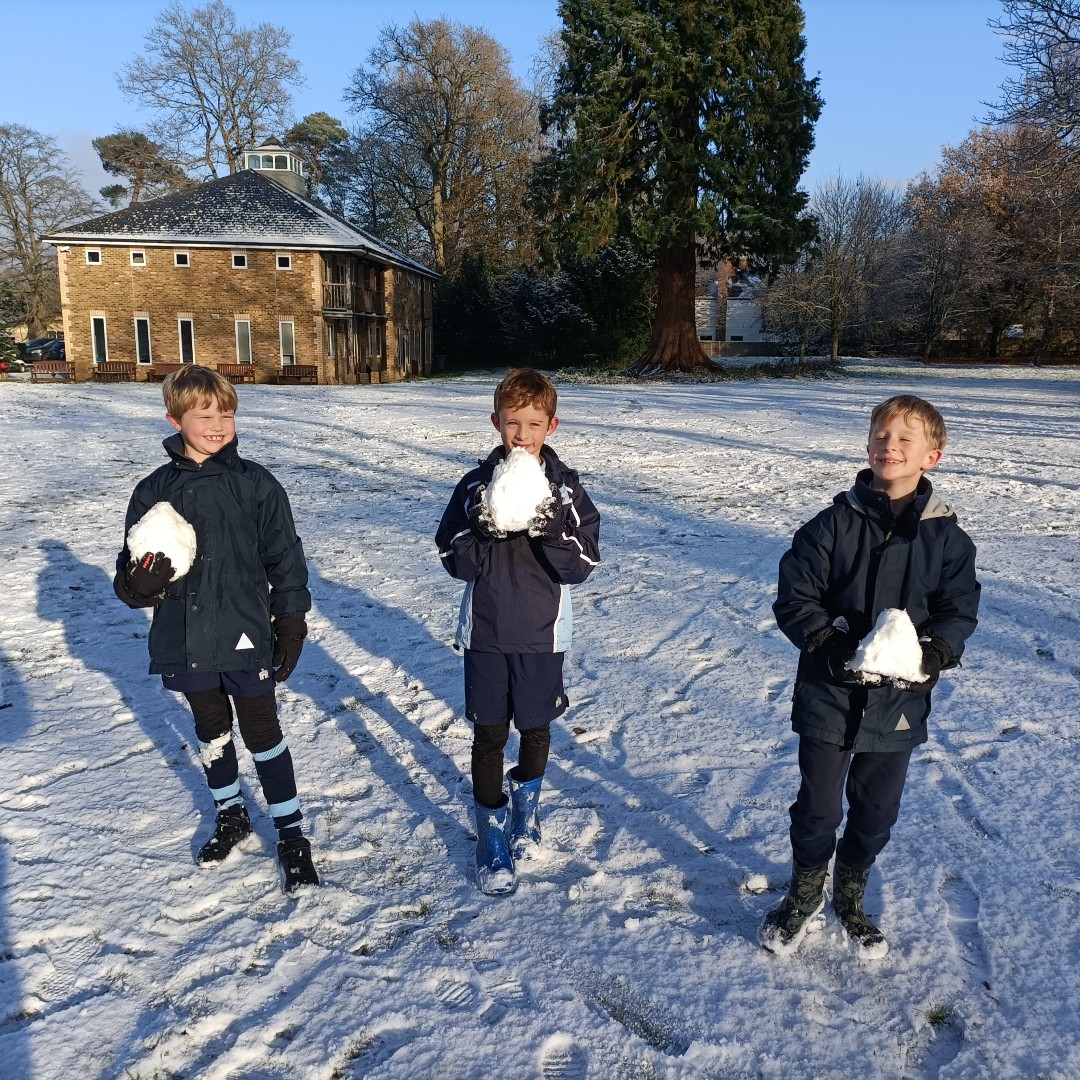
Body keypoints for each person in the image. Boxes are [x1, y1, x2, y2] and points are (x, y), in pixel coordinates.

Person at [763, 394, 980, 959]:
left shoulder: (947, 539)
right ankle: (804, 893)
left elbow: (959, 610)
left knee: (877, 809)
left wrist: (933, 655)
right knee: (818, 807)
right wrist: (830, 647)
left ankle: (850, 894)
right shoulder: (832, 524)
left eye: (905, 439)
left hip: (899, 702)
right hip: (829, 693)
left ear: (931, 456)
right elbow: (796, 596)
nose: (890, 446)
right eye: (882, 436)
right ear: (867, 446)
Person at [113, 365, 319, 893]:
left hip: (246, 632)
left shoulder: (257, 484)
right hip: (185, 639)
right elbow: (131, 571)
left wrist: (290, 620)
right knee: (212, 731)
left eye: (226, 413)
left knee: (263, 732)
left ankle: (292, 835)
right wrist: (140, 585)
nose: (217, 424)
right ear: (174, 419)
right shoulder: (153, 491)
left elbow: (285, 559)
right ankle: (231, 813)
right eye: (204, 415)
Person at [436, 369, 600, 895]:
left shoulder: (565, 489)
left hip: (541, 634)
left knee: (535, 728)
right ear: (495, 424)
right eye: (512, 423)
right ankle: (490, 832)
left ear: (552, 426)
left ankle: (525, 814)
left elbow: (584, 563)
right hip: (486, 633)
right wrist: (482, 528)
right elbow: (452, 558)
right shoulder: (474, 485)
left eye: (533, 424)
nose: (522, 435)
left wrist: (549, 526)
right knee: (488, 734)